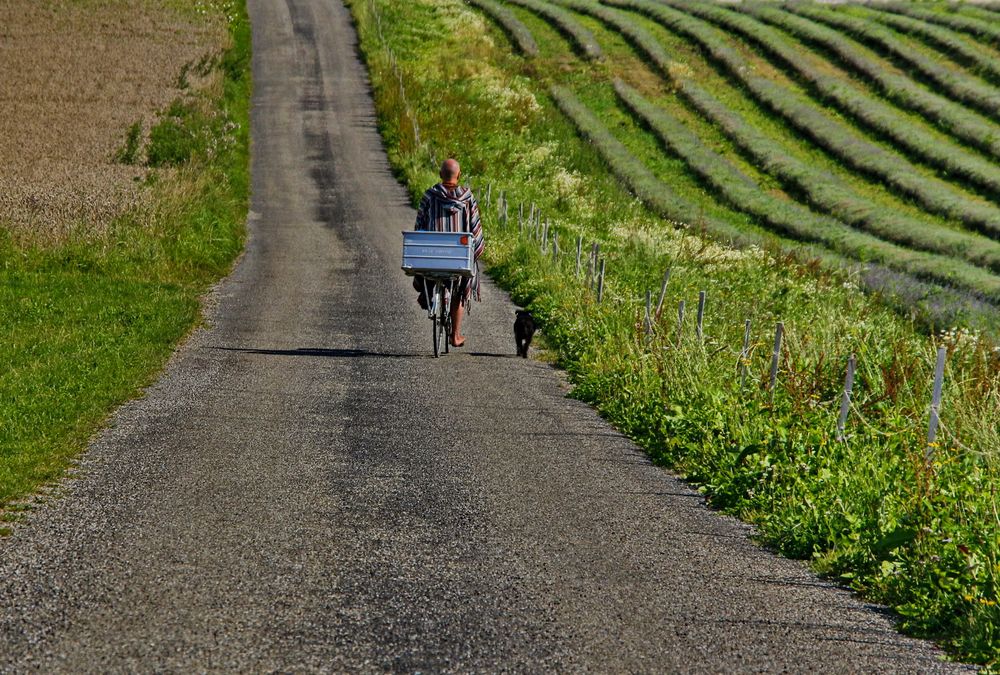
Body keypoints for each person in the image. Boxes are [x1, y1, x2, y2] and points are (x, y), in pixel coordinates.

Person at [414, 158, 484, 347]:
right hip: (458, 257)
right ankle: (455, 335)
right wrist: (475, 253)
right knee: (461, 287)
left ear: (440, 175)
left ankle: (427, 294)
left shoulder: (430, 195)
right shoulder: (467, 197)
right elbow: (475, 231)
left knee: (425, 270)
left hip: (433, 256)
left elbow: (419, 226)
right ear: (459, 175)